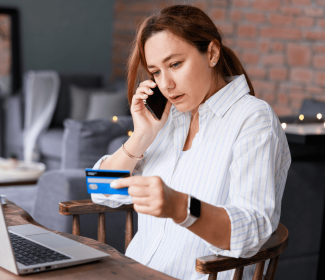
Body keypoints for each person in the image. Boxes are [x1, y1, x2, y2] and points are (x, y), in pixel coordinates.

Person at [91, 4, 291, 280]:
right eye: (156, 72)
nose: (166, 84)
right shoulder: (168, 120)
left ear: (211, 53)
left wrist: (181, 207)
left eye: (175, 64)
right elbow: (100, 190)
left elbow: (252, 231)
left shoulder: (253, 119)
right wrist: (141, 136)